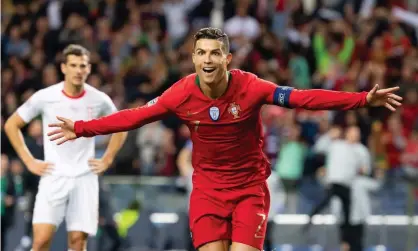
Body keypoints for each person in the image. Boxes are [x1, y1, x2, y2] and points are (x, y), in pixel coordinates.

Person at [47, 28, 402, 251]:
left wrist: (360, 99)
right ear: (193, 58)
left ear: (227, 58)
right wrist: (80, 128)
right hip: (207, 191)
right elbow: (134, 116)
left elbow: (303, 98)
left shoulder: (252, 87)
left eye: (215, 53)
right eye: (201, 52)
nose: (207, 58)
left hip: (249, 189)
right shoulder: (181, 94)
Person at [4, 44, 128, 251]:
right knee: (41, 241)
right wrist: (28, 161)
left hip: (84, 178)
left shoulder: (99, 99)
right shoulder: (45, 96)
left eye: (83, 66)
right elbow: (11, 124)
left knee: (78, 242)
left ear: (88, 69)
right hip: (53, 176)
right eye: (73, 65)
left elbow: (122, 126)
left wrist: (108, 158)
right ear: (63, 68)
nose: (78, 70)